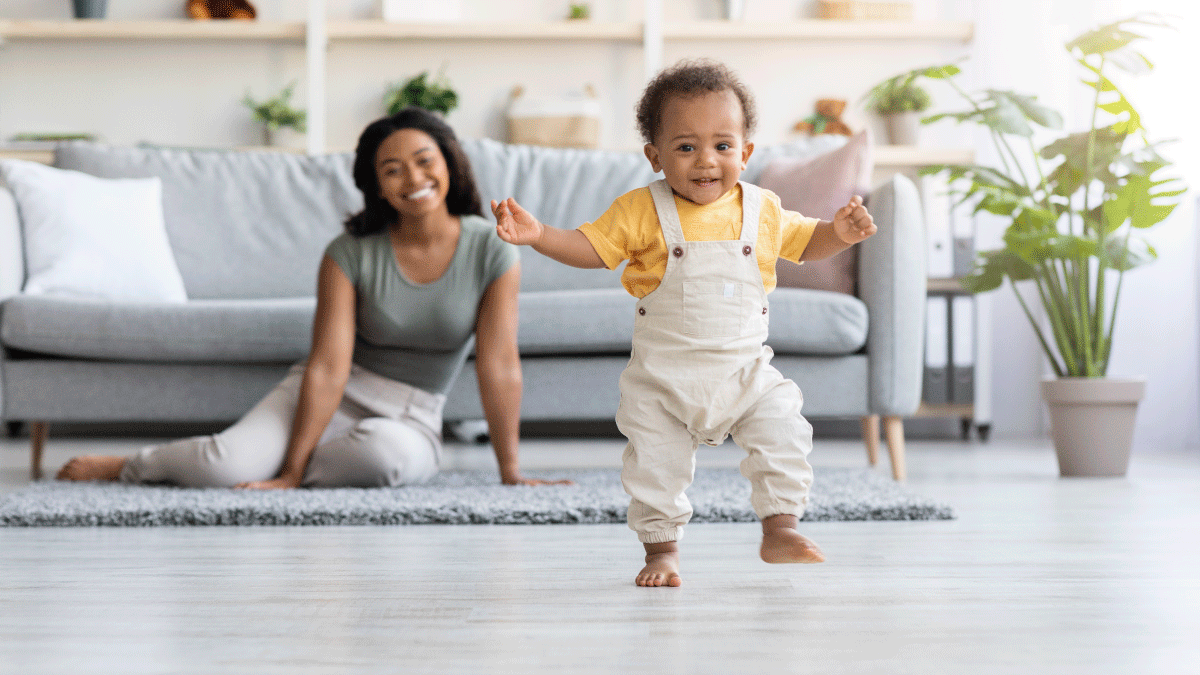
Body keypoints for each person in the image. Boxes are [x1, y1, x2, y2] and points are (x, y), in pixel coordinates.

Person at [492, 60, 876, 586]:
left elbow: (809, 243)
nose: (706, 162)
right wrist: (541, 234)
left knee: (785, 428)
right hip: (662, 383)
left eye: (722, 146)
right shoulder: (640, 210)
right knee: (654, 469)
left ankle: (780, 525)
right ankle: (661, 551)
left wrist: (842, 232)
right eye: (686, 147)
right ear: (655, 156)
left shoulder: (762, 210)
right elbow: (592, 248)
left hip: (745, 376)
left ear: (745, 153)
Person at [58, 108, 569, 489]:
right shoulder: (348, 253)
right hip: (331, 391)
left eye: (423, 161)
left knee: (384, 460)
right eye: (392, 170)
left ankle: (288, 463)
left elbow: (499, 366)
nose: (413, 179)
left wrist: (511, 472)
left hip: (411, 415)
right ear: (377, 186)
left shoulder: (492, 247)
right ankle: (130, 465)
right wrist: (294, 469)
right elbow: (328, 366)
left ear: (450, 164)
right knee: (226, 467)